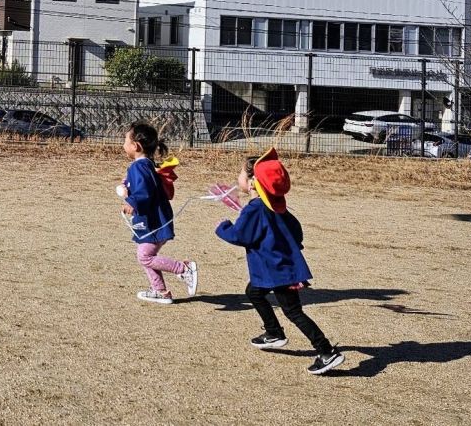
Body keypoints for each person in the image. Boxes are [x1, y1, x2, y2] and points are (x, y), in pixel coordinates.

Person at [215, 148, 344, 375]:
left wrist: (224, 227)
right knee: (254, 293)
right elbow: (296, 230)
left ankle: (326, 351)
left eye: (241, 174)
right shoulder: (276, 204)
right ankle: (274, 333)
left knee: (294, 312)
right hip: (274, 268)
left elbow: (240, 236)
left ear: (253, 182)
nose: (238, 178)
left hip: (277, 271)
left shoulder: (256, 208)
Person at [119, 122, 198, 305]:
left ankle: (184, 269)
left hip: (154, 220)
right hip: (152, 219)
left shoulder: (139, 167)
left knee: (145, 256)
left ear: (136, 146)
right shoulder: (145, 165)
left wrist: (132, 201)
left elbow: (145, 190)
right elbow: (143, 184)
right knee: (144, 255)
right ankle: (160, 291)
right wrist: (125, 185)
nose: (123, 144)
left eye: (125, 140)